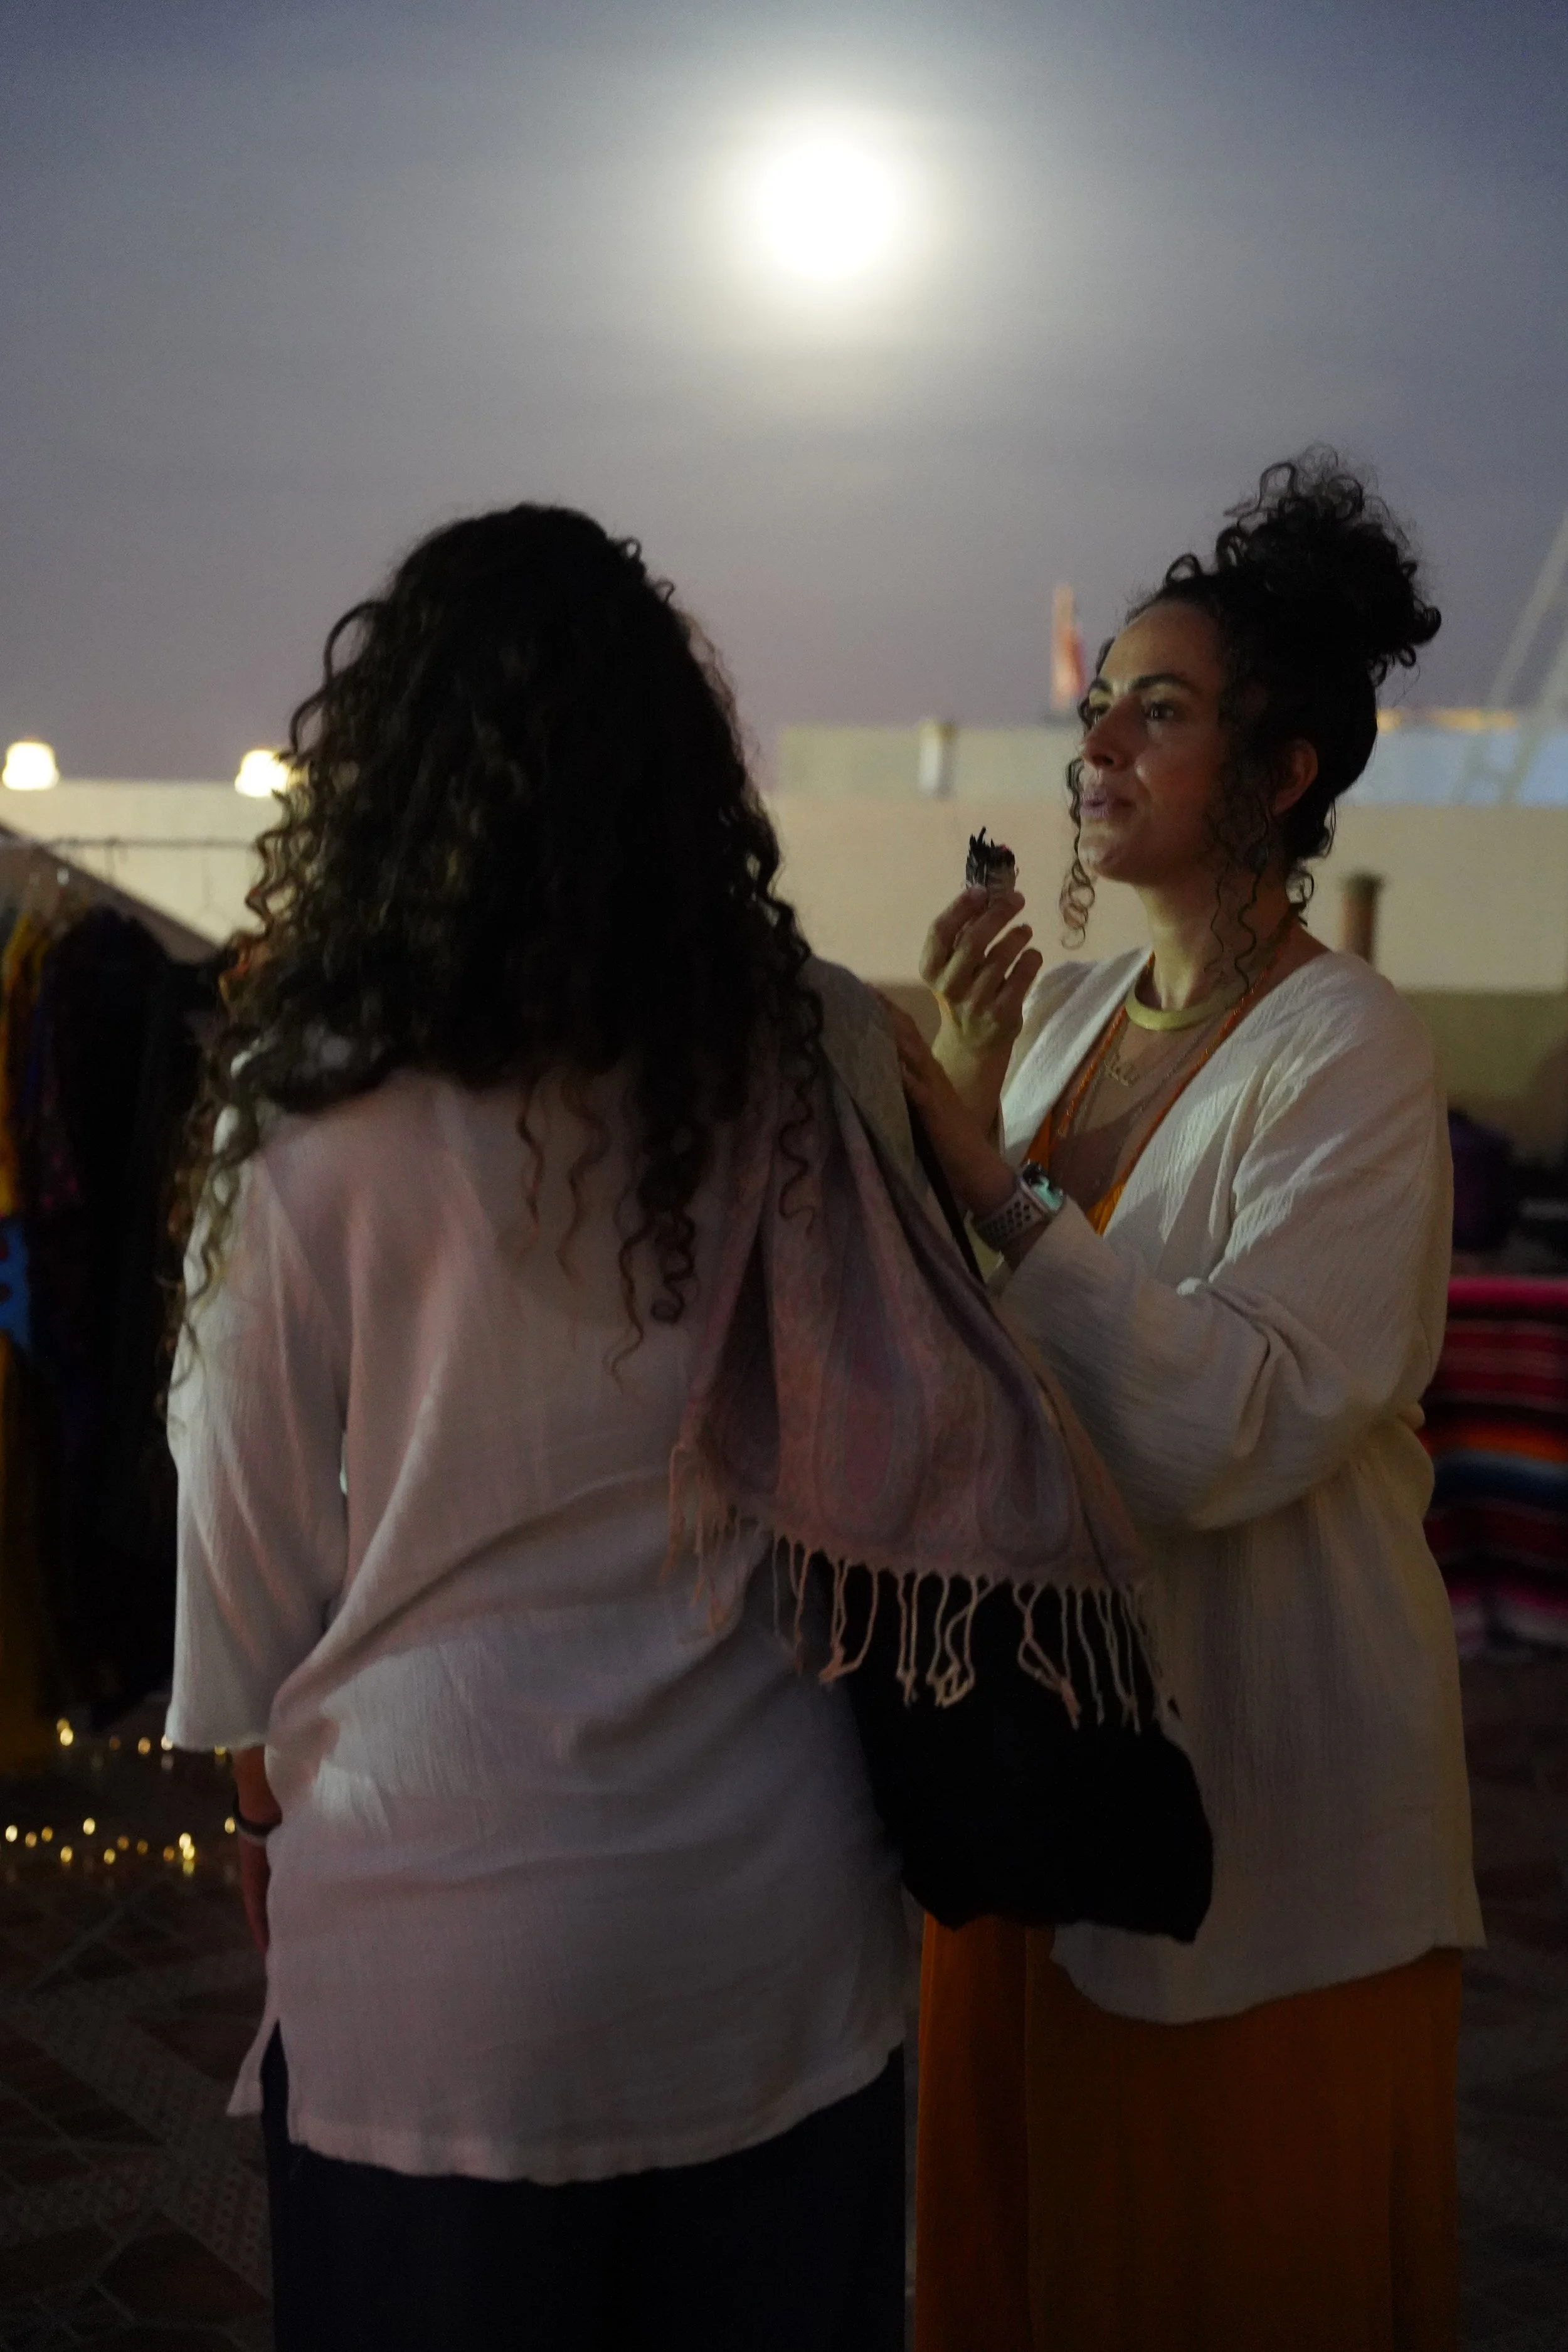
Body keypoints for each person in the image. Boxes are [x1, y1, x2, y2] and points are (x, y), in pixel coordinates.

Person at [164, 506, 913, 2351]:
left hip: (437, 1929)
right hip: (774, 1917)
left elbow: (238, 1537)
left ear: (389, 770)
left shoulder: (311, 1101)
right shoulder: (794, 1046)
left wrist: (261, 1792)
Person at [891, 456, 1483, 2352]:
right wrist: (942, 1135)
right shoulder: (1056, 1023)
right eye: (1093, 709)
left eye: (1159, 710)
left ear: (1278, 772)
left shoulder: (1348, 1050)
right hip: (1028, 1765)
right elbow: (947, 1348)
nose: (1101, 746)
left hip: (1261, 1776)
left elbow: (1237, 1420)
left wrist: (987, 1185)